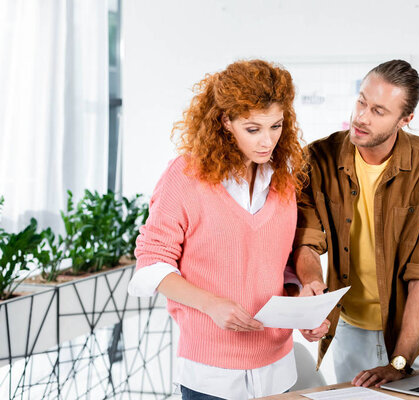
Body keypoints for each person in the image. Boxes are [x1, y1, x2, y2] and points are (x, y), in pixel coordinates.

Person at [127, 60, 311, 400]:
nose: (267, 141)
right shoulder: (185, 176)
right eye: (253, 129)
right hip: (209, 375)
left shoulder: (284, 181)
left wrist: (301, 306)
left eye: (276, 126)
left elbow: (280, 264)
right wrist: (211, 304)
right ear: (225, 121)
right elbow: (151, 263)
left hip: (278, 368)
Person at [294, 59, 419, 388]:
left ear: (405, 120)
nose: (361, 117)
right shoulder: (317, 159)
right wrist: (312, 295)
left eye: (379, 111)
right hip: (351, 327)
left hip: (416, 331)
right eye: (361, 101)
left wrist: (399, 361)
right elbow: (307, 241)